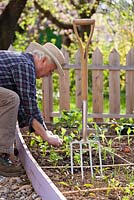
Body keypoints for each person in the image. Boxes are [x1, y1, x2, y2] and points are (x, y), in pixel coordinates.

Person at [0, 42, 65, 177]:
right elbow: (30, 106)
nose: (48, 75)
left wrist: (41, 131)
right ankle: (2, 156)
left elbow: (23, 110)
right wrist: (46, 136)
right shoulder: (25, 66)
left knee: (11, 100)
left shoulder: (22, 61)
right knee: (11, 99)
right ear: (43, 60)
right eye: (51, 70)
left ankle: (5, 153)